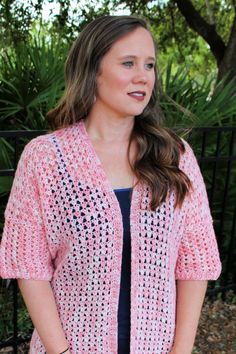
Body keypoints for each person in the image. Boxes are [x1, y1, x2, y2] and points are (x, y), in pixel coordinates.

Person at [0, 15, 221, 354]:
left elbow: (195, 263)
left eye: (149, 65)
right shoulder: (45, 159)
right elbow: (30, 267)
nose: (142, 76)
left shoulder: (175, 156)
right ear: (93, 70)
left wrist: (181, 351)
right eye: (128, 63)